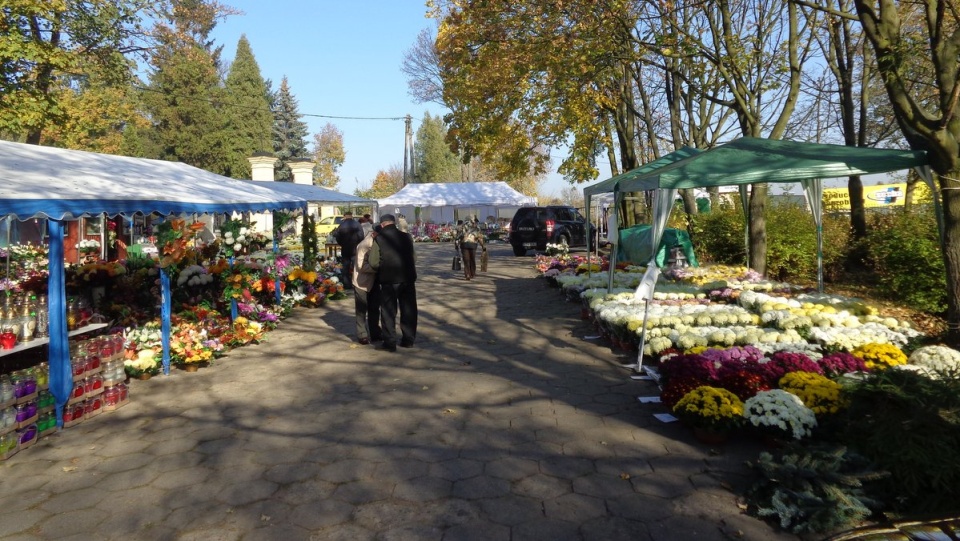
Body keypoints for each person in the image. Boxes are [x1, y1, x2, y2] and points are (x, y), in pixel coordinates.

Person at [369, 214, 417, 352]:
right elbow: (414, 258)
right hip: (408, 278)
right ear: (394, 223)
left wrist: (381, 269)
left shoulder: (379, 238)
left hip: (389, 279)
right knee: (409, 310)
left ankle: (390, 342)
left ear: (383, 224)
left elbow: (373, 262)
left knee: (388, 311)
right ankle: (408, 340)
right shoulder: (407, 237)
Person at [352, 223, 382, 345]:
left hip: (375, 281)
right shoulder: (364, 245)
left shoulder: (379, 243)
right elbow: (361, 266)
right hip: (361, 281)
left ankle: (375, 333)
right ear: (374, 233)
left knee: (374, 308)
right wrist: (377, 268)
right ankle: (362, 334)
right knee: (361, 309)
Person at [333, 211, 364, 290]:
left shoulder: (341, 225)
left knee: (345, 268)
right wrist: (357, 244)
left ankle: (347, 284)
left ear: (344, 216)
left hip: (345, 249)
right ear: (352, 216)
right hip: (355, 249)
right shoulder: (357, 224)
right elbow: (361, 236)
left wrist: (342, 244)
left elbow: (337, 236)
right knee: (356, 267)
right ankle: (357, 284)